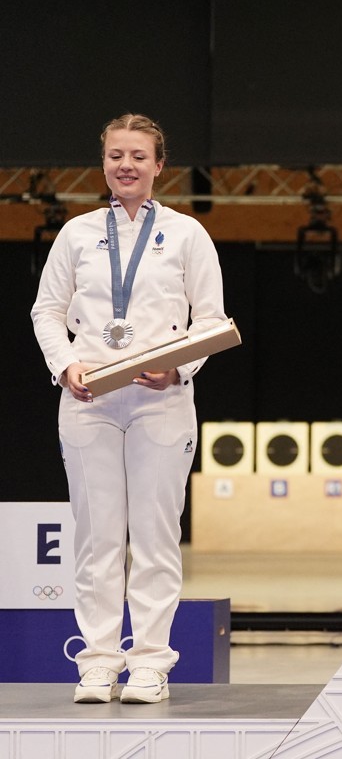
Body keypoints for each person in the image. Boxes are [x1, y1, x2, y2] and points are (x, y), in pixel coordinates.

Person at [31, 114, 227, 703]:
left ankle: (149, 664)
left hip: (160, 401)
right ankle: (95, 661)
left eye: (138, 156)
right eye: (116, 155)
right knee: (96, 538)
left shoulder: (189, 234)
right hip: (89, 401)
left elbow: (211, 321)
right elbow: (46, 311)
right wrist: (66, 366)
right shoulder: (77, 233)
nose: (126, 165)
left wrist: (179, 368)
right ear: (104, 163)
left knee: (155, 536)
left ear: (159, 166)